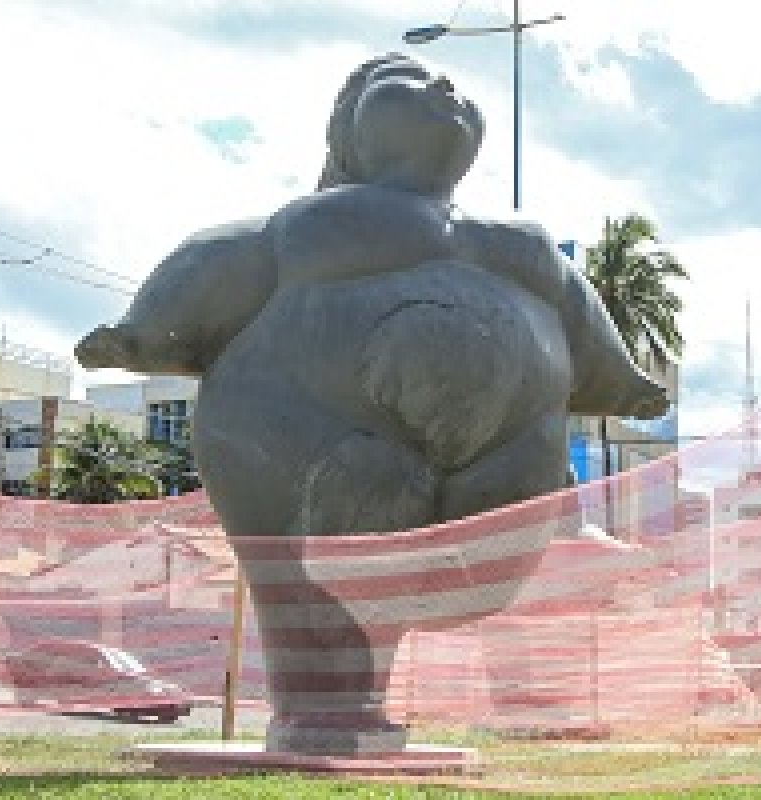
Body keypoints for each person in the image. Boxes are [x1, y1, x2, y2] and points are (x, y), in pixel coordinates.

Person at [76, 52, 668, 752]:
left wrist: (623, 379)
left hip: (497, 475)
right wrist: (145, 329)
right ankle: (319, 712)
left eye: (449, 80)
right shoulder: (306, 224)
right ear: (348, 134)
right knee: (318, 591)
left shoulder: (518, 241)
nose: (444, 85)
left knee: (415, 580)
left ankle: (351, 705)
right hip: (305, 444)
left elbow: (581, 315)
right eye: (408, 80)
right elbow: (220, 259)